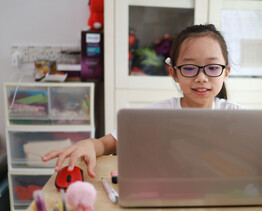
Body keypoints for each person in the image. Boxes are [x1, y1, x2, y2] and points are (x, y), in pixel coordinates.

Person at [41, 24, 245, 178]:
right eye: (190, 68)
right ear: (174, 73)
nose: (201, 77)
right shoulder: (154, 116)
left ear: (226, 72)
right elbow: (105, 145)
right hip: (165, 199)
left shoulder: (240, 118)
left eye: (212, 67)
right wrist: (88, 145)